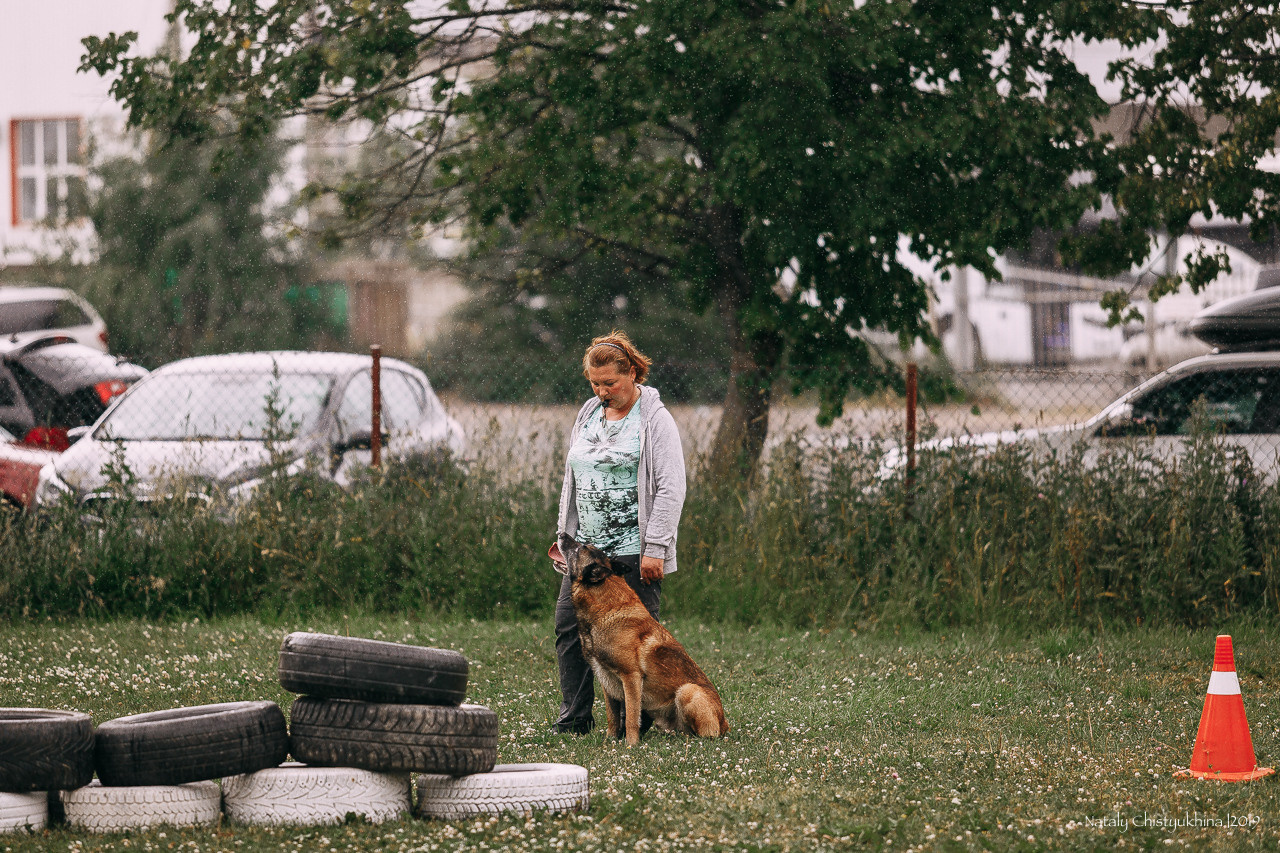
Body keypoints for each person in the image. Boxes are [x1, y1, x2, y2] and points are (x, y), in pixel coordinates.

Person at [552, 330, 687, 735]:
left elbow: (671, 486)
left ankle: (640, 722)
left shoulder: (655, 420)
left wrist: (656, 547)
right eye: (595, 384)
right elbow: (574, 476)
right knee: (569, 630)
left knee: (633, 644)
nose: (602, 391)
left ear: (632, 374)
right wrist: (565, 534)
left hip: (632, 552)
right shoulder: (588, 413)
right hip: (586, 553)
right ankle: (574, 719)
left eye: (610, 383)